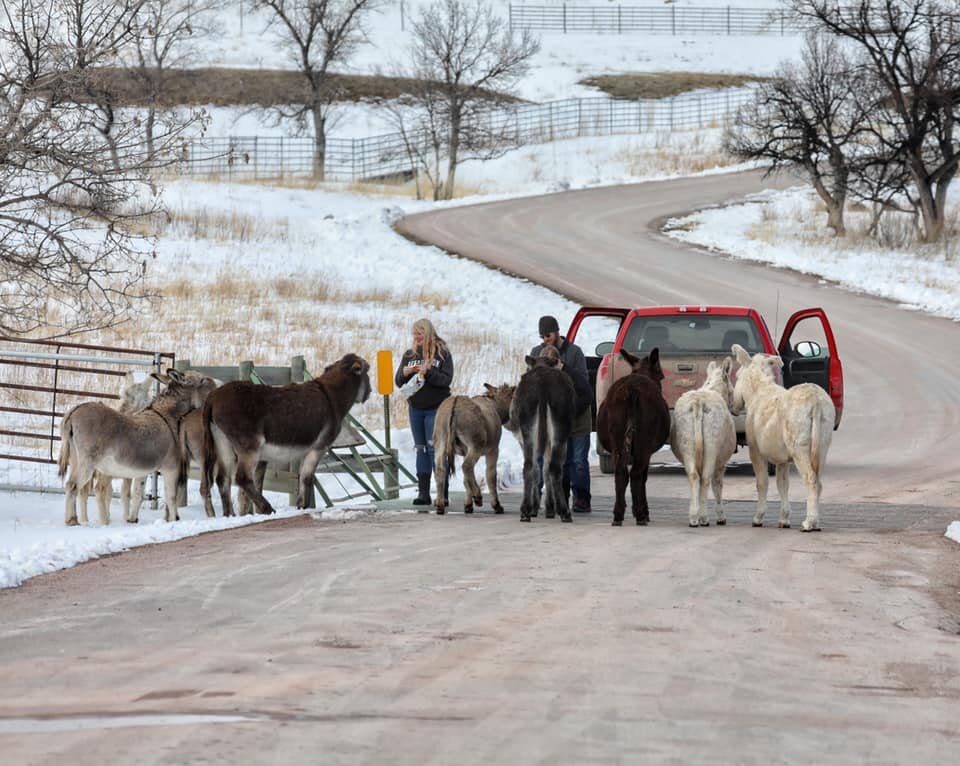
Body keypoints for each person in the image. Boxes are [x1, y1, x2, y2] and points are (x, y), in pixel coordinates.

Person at [530, 315, 592, 513]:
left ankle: (581, 497)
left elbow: (584, 387)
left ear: (556, 332)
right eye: (542, 336)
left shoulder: (574, 353)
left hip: (577, 416)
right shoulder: (536, 353)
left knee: (578, 462)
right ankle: (559, 497)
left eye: (548, 335)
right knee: (560, 461)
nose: (545, 339)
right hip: (554, 420)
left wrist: (564, 368)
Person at [395, 318, 454, 506]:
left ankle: (442, 492)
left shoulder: (442, 353)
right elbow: (398, 381)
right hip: (415, 408)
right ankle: (423, 493)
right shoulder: (410, 354)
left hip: (436, 407)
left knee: (434, 449)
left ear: (428, 333)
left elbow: (446, 380)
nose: (417, 337)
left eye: (420, 333)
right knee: (420, 448)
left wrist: (428, 371)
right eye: (415, 333)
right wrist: (404, 373)